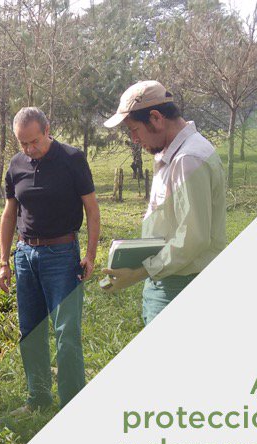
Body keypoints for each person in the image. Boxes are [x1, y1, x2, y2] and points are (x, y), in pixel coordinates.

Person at [0, 107, 100, 412]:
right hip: (25, 256)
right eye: (23, 143)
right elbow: (9, 214)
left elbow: (92, 209)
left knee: (66, 333)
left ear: (47, 130)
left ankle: (71, 402)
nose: (29, 149)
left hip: (62, 255)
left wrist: (90, 255)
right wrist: (4, 261)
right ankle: (38, 398)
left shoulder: (72, 159)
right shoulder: (16, 165)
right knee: (30, 331)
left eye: (34, 142)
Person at [101, 81, 227, 324]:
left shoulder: (188, 159)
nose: (134, 139)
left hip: (180, 283)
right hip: (168, 279)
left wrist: (138, 273)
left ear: (156, 118)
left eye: (135, 130)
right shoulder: (173, 153)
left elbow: (193, 238)